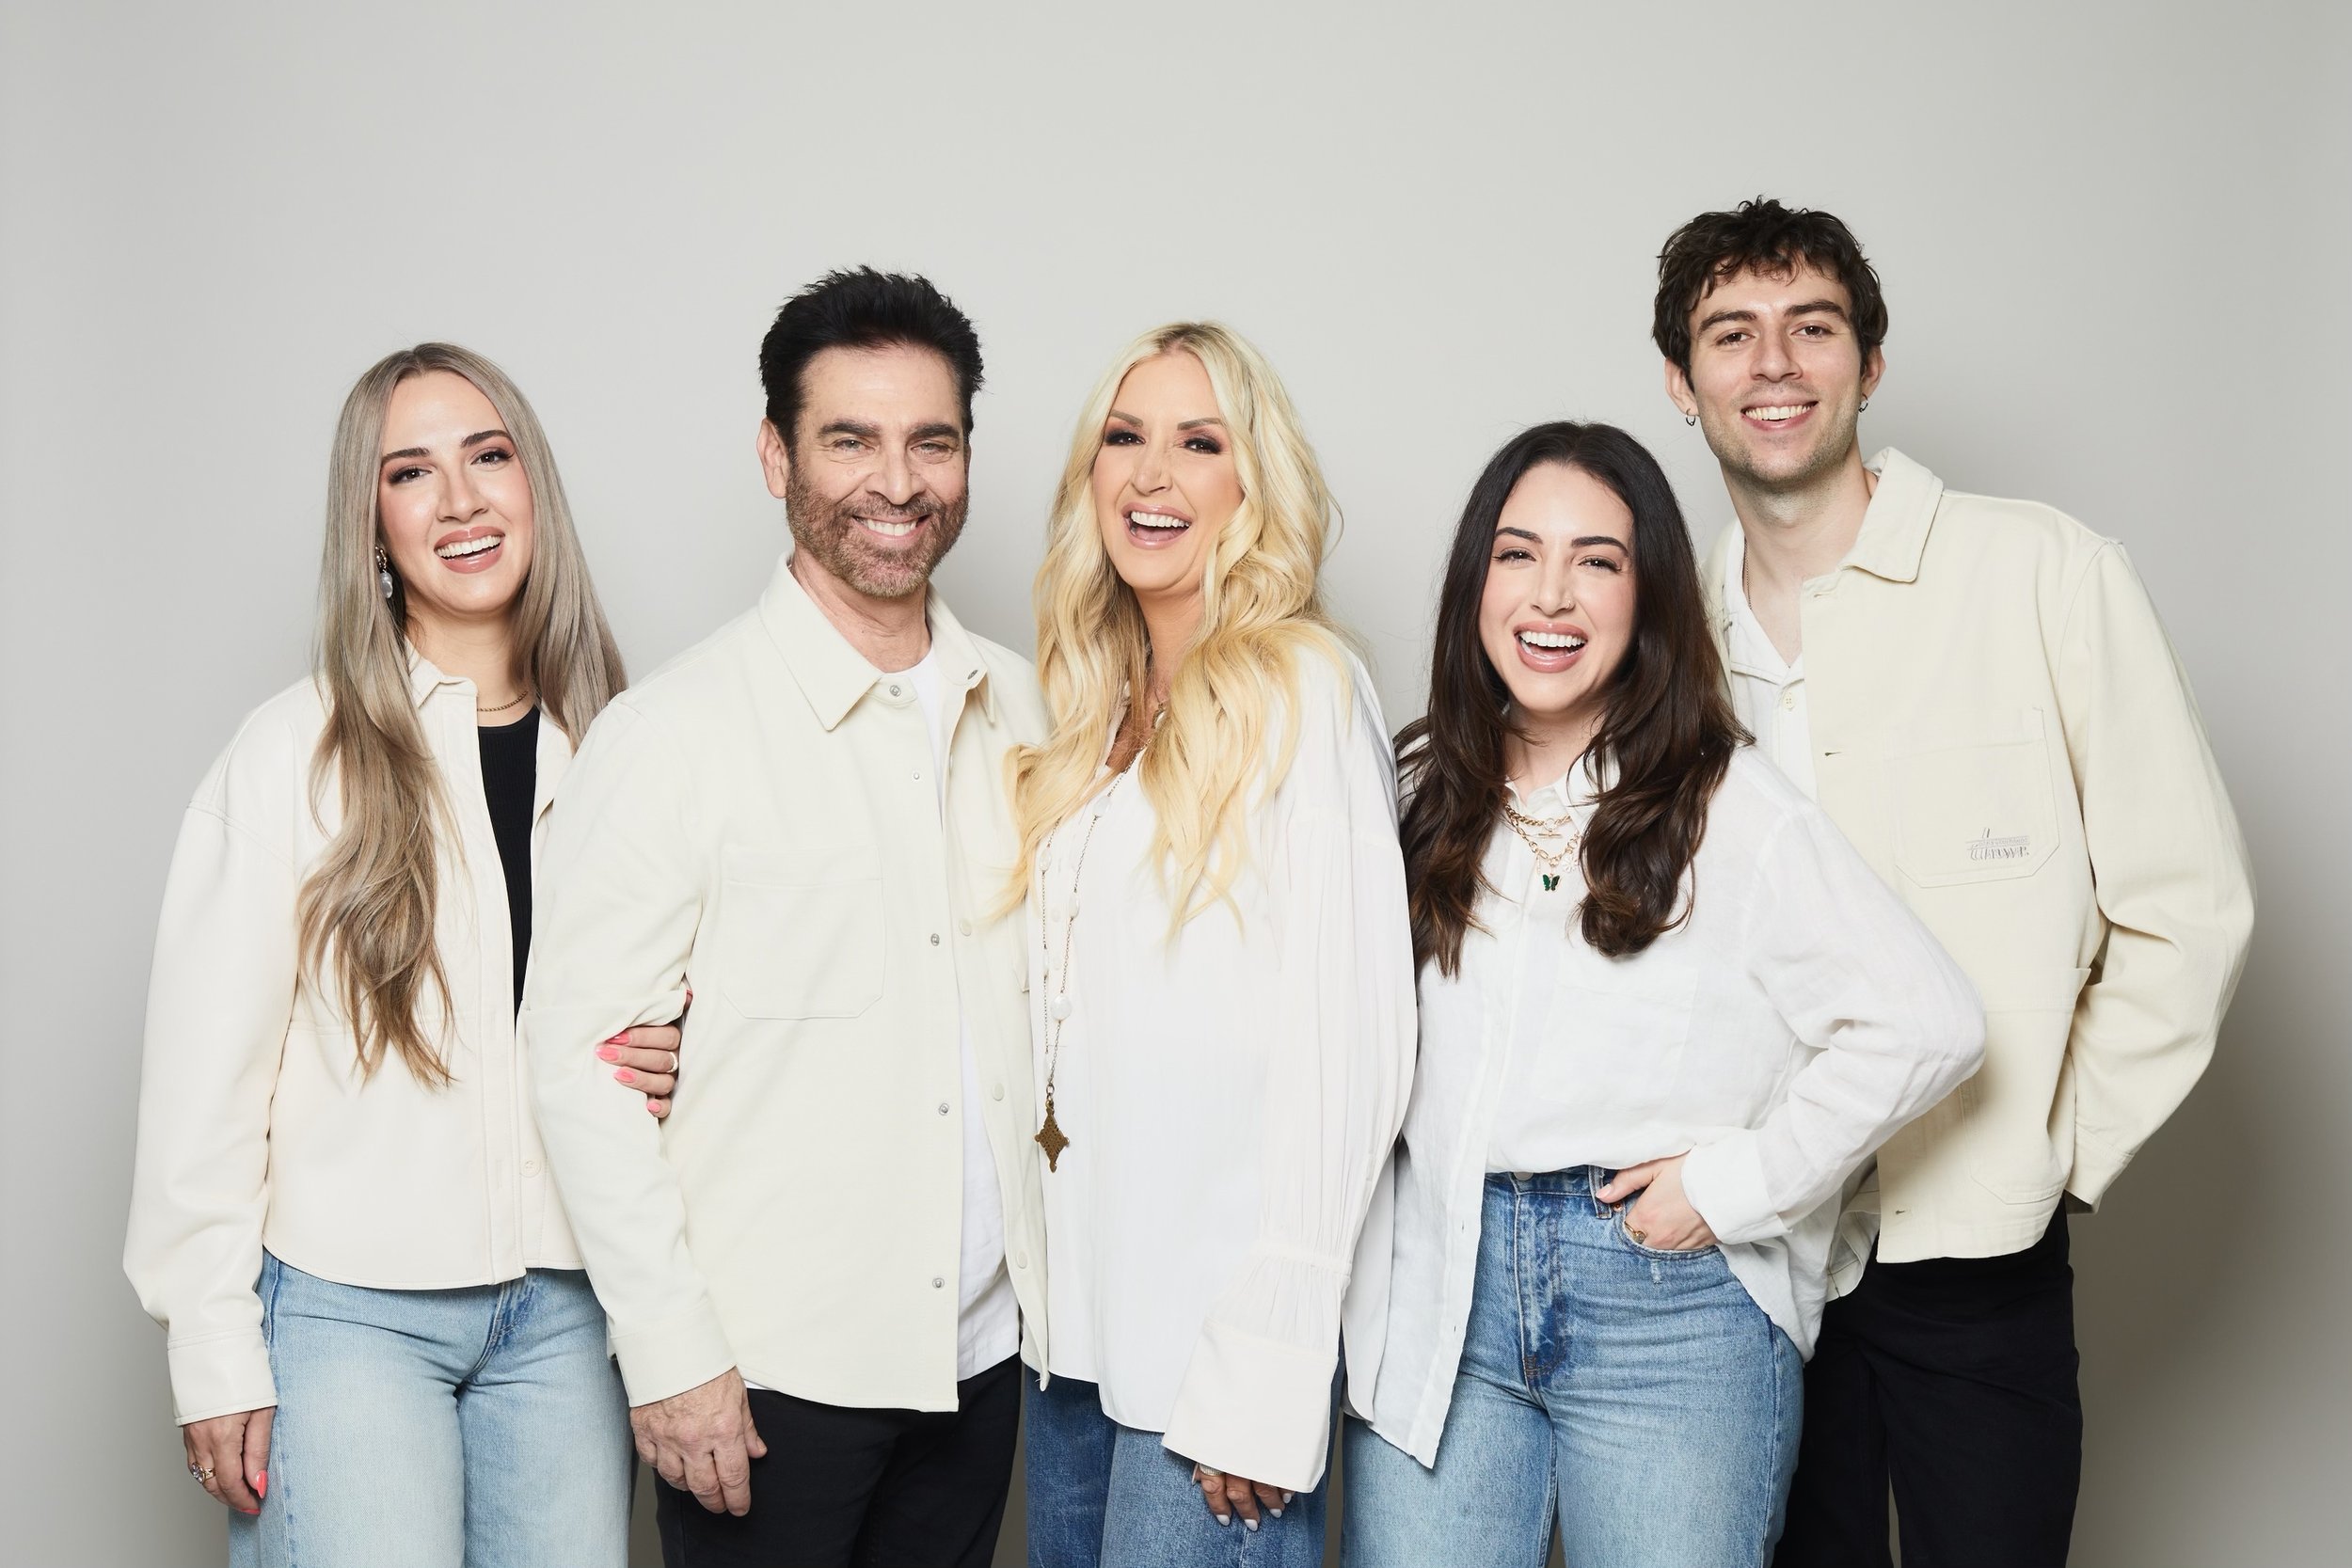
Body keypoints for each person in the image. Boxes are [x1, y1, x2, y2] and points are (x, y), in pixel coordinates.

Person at [1652, 197, 2256, 1566]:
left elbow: (2190, 906)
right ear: (1682, 385)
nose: (1773, 363)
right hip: (1751, 1259)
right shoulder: (1665, 643)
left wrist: (2055, 1151)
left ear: (1869, 362)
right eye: (1731, 335)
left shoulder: (2043, 572)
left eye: (1812, 327)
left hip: (1977, 1261)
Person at [1341, 421, 1986, 1568]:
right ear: (1475, 580)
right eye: (1517, 553)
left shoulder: (1723, 800)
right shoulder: (1417, 781)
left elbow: (1928, 1021)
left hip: (1663, 1307)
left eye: (1596, 560)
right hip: (1440, 1290)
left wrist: (1733, 1184)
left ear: (1646, 598)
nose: (1550, 594)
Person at [521, 269, 1048, 1568]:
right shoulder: (669, 736)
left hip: (984, 1360)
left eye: (932, 440)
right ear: (776, 455)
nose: (898, 481)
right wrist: (671, 1353)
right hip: (762, 1383)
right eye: (850, 439)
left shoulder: (1031, 712)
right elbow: (579, 1071)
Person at [124, 343, 666, 1568]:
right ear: (370, 523)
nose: (461, 499)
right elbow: (204, 1083)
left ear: (533, 485)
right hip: (347, 1311)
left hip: (572, 1309)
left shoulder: (623, 747)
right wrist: (210, 1344)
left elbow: (674, 1006)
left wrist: (674, 1052)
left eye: (489, 455)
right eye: (411, 472)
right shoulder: (292, 753)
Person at [1009, 323, 1415, 1568]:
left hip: (1212, 1354)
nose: (1151, 473)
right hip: (1070, 1347)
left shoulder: (1304, 688)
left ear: (1253, 479)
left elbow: (1353, 1042)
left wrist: (1273, 1353)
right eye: (1123, 438)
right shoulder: (1080, 718)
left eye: (1198, 441)